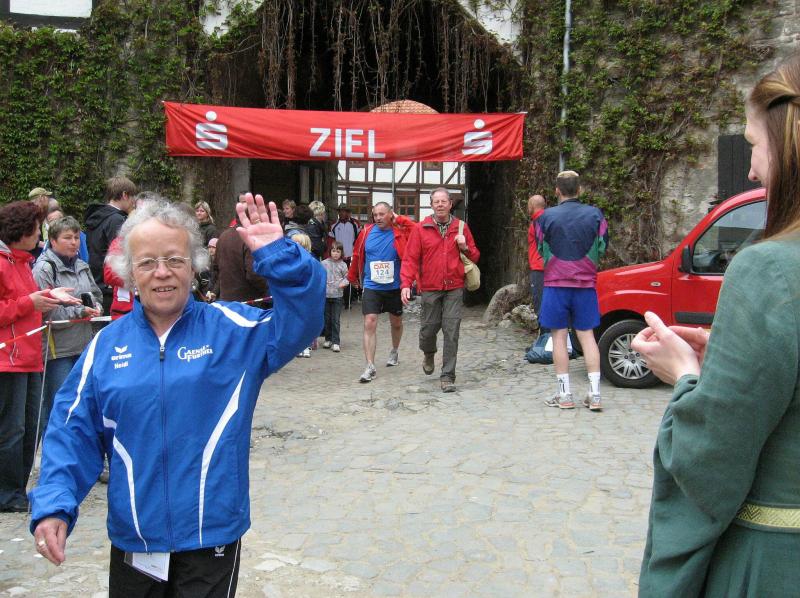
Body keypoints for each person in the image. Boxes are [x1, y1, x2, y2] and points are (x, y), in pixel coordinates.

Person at [29, 195, 325, 596]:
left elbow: (303, 319)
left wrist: (280, 256)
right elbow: (71, 432)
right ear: (129, 272)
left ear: (194, 265)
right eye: (147, 262)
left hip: (211, 536)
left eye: (174, 259)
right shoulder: (105, 347)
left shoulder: (234, 332)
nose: (162, 272)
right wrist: (54, 505)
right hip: (135, 538)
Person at [631, 54, 800, 598]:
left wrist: (686, 375)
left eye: (753, 144)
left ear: (788, 142)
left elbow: (710, 454)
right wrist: (729, 355)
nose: (751, 170)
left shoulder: (769, 269)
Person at [0, 201, 78, 513]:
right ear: (21, 231)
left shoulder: (22, 263)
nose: (39, 235)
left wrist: (48, 296)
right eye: (36, 228)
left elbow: (25, 300)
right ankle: (7, 493)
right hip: (8, 359)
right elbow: (14, 306)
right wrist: (30, 303)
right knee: (12, 430)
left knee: (30, 428)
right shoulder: (3, 264)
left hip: (30, 356)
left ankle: (17, 489)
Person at [536, 170, 608, 411]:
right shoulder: (596, 215)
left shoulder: (544, 217)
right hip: (585, 284)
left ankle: (565, 395)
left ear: (557, 190)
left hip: (555, 284)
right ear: (580, 190)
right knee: (587, 336)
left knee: (558, 337)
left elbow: (539, 247)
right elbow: (603, 245)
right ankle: (595, 394)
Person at [400, 188, 479, 393]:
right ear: (431, 205)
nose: (441, 205)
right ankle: (428, 353)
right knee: (428, 329)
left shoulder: (461, 227)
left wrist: (465, 247)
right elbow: (410, 259)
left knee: (451, 331)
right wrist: (406, 284)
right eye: (437, 201)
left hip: (454, 287)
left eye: (444, 201)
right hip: (430, 287)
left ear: (450, 204)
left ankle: (447, 376)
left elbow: (475, 256)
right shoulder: (421, 228)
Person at [32, 216, 103, 438]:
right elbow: (45, 313)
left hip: (83, 346)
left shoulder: (82, 265)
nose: (74, 242)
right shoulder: (44, 269)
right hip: (58, 352)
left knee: (84, 407)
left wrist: (95, 306)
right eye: (67, 238)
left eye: (76, 237)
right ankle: (53, 454)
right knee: (58, 408)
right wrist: (79, 312)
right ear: (53, 241)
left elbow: (96, 294)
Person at [348, 202, 415, 383]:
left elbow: (416, 231)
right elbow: (357, 254)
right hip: (372, 286)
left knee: (396, 322)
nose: (378, 218)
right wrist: (352, 276)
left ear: (390, 214)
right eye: (375, 214)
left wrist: (401, 219)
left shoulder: (400, 231)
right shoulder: (366, 232)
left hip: (394, 286)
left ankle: (394, 350)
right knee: (369, 322)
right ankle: (370, 366)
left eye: (382, 214)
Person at [84, 176, 137, 314]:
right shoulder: (117, 220)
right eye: (132, 197)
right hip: (111, 285)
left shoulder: (96, 217)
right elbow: (122, 254)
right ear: (125, 195)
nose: (133, 202)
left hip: (97, 281)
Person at [215, 202, 270, 305]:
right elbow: (253, 274)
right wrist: (268, 290)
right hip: (248, 302)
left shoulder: (223, 236)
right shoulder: (248, 238)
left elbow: (216, 268)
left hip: (226, 299)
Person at [321, 241, 349, 352]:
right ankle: (328, 339)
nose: (335, 253)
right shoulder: (323, 263)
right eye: (333, 251)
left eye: (338, 251)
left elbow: (347, 277)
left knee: (335, 319)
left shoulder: (343, 265)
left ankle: (336, 342)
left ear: (341, 253)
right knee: (327, 319)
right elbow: (319, 276)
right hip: (326, 295)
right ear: (330, 252)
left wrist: (344, 283)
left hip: (338, 296)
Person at [527, 194, 547, 318]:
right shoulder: (547, 219)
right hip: (545, 267)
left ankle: (543, 329)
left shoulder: (538, 222)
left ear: (532, 206)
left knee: (539, 304)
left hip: (539, 268)